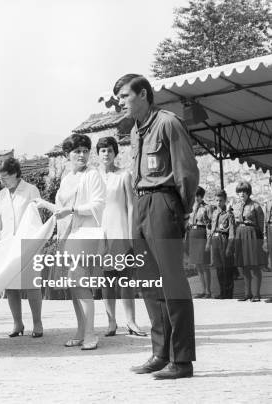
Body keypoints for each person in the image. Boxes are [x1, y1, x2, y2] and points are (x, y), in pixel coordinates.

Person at [114, 74, 198, 380]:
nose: (120, 102)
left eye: (125, 96)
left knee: (172, 282)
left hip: (164, 202)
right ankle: (160, 353)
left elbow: (186, 170)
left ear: (144, 94)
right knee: (149, 282)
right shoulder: (136, 132)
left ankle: (182, 359)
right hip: (141, 204)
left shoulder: (167, 123)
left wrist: (182, 210)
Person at [35, 134, 105, 351]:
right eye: (77, 151)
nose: (82, 155)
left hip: (85, 234)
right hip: (67, 236)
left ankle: (91, 334)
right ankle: (80, 331)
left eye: (85, 151)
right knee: (74, 287)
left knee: (81, 285)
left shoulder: (93, 175)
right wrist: (45, 205)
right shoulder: (66, 179)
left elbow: (99, 204)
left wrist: (73, 209)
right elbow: (60, 210)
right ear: (67, 155)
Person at [0, 157, 43, 338]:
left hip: (27, 244)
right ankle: (18, 323)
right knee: (11, 286)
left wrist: (35, 241)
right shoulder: (1, 195)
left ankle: (37, 323)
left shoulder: (31, 190)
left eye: (5, 177)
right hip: (7, 244)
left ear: (15, 173)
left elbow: (36, 218)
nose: (2, 181)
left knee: (31, 284)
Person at [96, 136, 146, 337]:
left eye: (109, 150)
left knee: (125, 278)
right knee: (107, 280)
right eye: (102, 150)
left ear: (115, 153)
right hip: (101, 232)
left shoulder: (124, 175)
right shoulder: (93, 176)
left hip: (120, 230)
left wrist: (131, 233)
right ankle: (111, 322)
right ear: (97, 154)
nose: (106, 154)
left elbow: (131, 205)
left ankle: (131, 322)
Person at [232, 181, 265, 302]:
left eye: (244, 191)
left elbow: (261, 224)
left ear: (248, 192)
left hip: (252, 234)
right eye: (240, 191)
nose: (242, 194)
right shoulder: (236, 206)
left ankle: (256, 294)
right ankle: (247, 293)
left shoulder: (255, 206)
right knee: (244, 265)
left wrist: (263, 240)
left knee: (254, 265)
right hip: (240, 233)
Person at [206, 189, 235, 299]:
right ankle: (222, 291)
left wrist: (229, 246)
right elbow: (211, 228)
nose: (218, 203)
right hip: (215, 239)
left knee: (227, 267)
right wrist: (209, 242)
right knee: (218, 267)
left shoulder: (229, 213)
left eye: (221, 200)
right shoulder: (214, 212)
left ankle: (228, 293)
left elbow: (232, 231)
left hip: (224, 239)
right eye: (217, 200)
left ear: (225, 200)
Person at [187, 186, 213, 298]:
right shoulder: (191, 207)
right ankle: (203, 290)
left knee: (204, 264)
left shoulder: (207, 208)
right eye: (195, 195)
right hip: (192, 233)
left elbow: (210, 225)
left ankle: (208, 291)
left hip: (202, 233)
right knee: (197, 264)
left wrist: (209, 240)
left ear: (202, 196)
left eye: (199, 196)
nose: (196, 198)